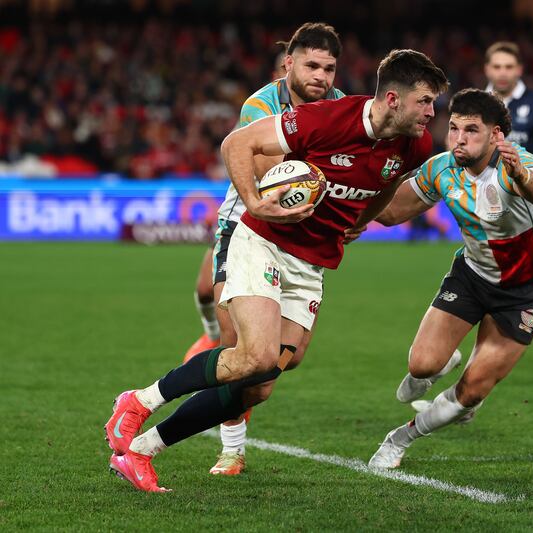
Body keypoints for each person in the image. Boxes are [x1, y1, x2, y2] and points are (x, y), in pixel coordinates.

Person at [104, 48, 449, 492]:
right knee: (256, 356)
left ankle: (140, 451)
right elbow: (236, 144)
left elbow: (386, 183)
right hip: (263, 242)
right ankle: (138, 401)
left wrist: (360, 219)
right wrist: (254, 202)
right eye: (425, 101)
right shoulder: (327, 119)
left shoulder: (415, 144)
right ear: (394, 99)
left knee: (258, 386)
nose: (432, 112)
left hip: (312, 262)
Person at [359, 89, 533, 469]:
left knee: (472, 392)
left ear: (496, 135)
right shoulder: (442, 168)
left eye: (471, 130)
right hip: (472, 275)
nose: (459, 138)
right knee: (421, 366)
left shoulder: (514, 163)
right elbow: (391, 212)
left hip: (525, 290)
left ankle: (400, 439)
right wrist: (353, 200)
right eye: (453, 128)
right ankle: (442, 361)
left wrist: (520, 173)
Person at [185, 23, 345, 478]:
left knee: (273, 363)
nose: (321, 76)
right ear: (288, 63)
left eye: (329, 68)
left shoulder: (340, 108)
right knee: (237, 342)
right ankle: (232, 450)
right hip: (245, 226)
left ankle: (213, 362)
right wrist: (319, 179)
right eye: (312, 65)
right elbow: (269, 166)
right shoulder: (261, 104)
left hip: (302, 238)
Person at [181, 49, 291, 363]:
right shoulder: (259, 110)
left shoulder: (320, 114)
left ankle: (246, 388)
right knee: (205, 290)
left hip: (283, 227)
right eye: (284, 69)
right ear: (276, 75)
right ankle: (210, 334)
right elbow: (251, 162)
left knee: (252, 339)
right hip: (240, 218)